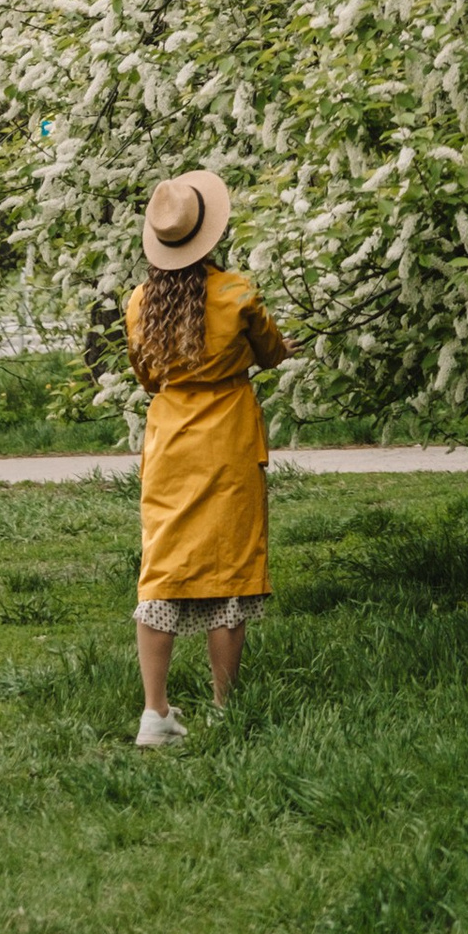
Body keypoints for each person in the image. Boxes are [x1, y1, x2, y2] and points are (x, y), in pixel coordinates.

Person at [125, 168, 290, 751]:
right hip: (227, 442)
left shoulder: (139, 303)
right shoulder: (237, 292)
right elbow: (270, 352)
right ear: (208, 234)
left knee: (162, 569)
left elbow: (148, 377)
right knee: (230, 571)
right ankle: (225, 708)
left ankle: (154, 713)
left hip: (170, 442)